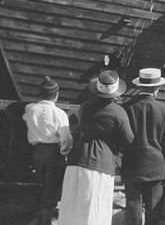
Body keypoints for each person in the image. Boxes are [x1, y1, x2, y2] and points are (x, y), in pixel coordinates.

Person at [58, 70, 134, 225]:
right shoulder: (118, 112)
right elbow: (128, 139)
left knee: (72, 206)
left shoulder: (84, 107)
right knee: (95, 208)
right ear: (115, 92)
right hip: (101, 161)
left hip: (77, 159)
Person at [121, 68, 165, 225]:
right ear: (157, 88)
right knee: (154, 212)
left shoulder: (126, 107)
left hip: (132, 165)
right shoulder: (163, 109)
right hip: (156, 169)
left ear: (140, 86)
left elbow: (121, 138)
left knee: (133, 210)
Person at [22, 76, 73, 225]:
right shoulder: (60, 114)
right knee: (50, 192)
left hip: (36, 153)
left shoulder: (30, 109)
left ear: (40, 94)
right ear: (56, 95)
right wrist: (63, 154)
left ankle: (36, 220)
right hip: (54, 154)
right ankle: (45, 222)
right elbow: (67, 140)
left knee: (41, 187)